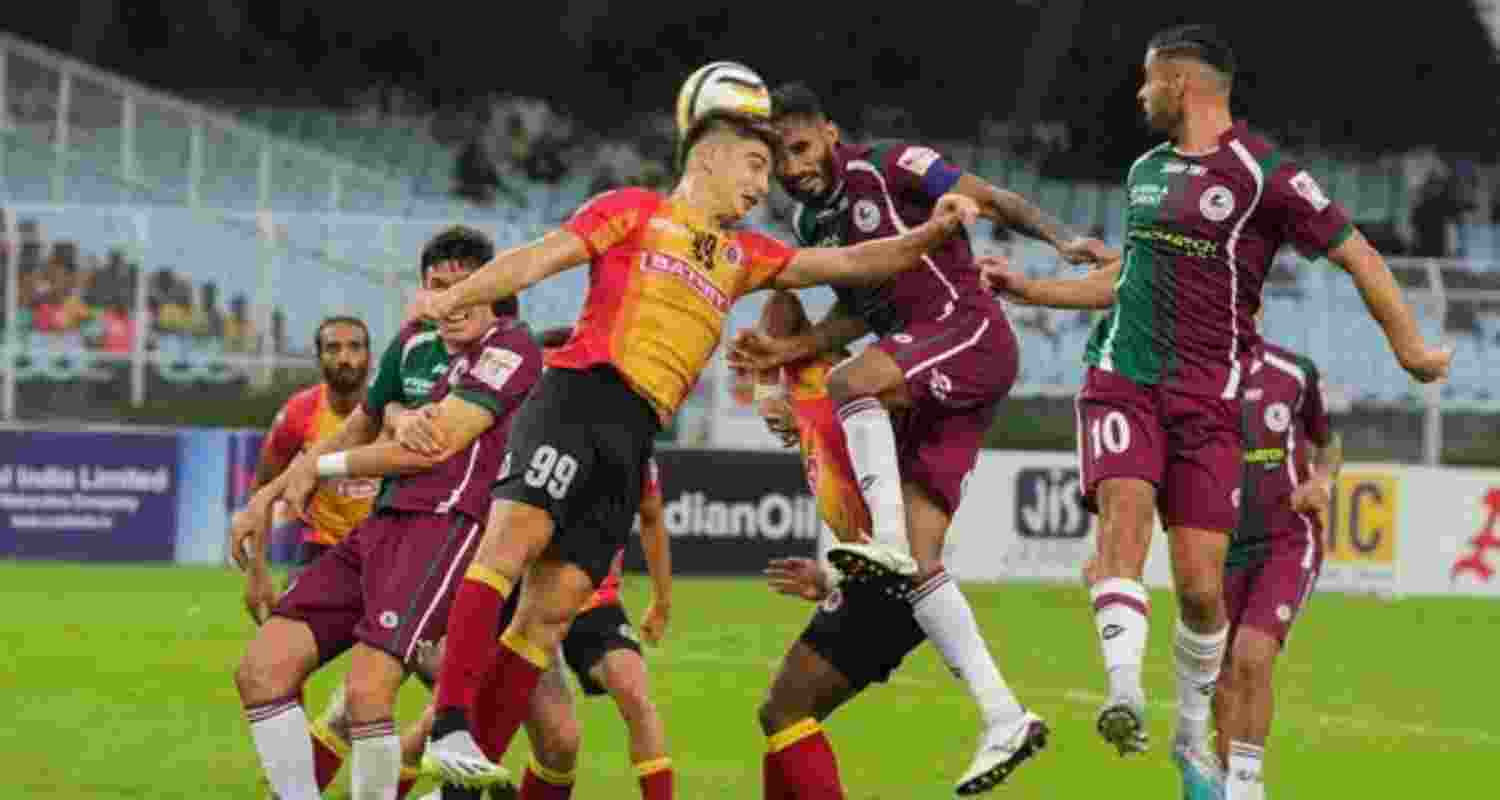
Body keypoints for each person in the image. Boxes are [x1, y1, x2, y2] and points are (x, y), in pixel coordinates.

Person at [409, 108, 978, 790]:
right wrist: (457, 297)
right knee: (506, 551)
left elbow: (853, 260)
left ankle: (457, 786)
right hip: (579, 398)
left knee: (545, 617)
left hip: (634, 437)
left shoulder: (744, 256)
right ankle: (448, 726)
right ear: (708, 158)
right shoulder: (633, 211)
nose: (762, 186)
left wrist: (935, 231)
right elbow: (539, 257)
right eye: (755, 166)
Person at [978, 27, 1446, 770]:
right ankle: (1124, 690)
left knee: (1201, 592)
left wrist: (1411, 348)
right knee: (1123, 525)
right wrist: (1028, 288)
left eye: (1146, 81)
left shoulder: (1267, 175)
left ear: (1182, 85)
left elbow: (1358, 255)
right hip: (1126, 382)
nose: (1138, 95)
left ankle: (1191, 724)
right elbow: (1125, 282)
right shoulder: (1145, 173)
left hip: (1207, 404)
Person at [726, 81, 1110, 793]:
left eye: (801, 148)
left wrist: (1063, 239)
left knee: (850, 385)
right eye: (778, 159)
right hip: (929, 363)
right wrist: (794, 347)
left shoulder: (891, 164)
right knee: (922, 562)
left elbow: (989, 196)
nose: (791, 169)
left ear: (831, 133)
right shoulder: (815, 228)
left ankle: (888, 547)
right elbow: (858, 304)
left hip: (967, 331)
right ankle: (1004, 716)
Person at [231, 226, 543, 800]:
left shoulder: (512, 347)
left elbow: (435, 445)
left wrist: (316, 470)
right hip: (380, 526)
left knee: (369, 691)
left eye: (464, 286)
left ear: (494, 287)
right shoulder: (412, 342)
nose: (449, 300)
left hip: (445, 529)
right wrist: (264, 496)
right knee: (262, 670)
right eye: (437, 287)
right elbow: (361, 423)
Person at [746, 289, 1043, 799]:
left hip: (893, 586)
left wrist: (777, 367)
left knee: (785, 710)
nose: (763, 393)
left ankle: (1005, 715)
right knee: (784, 714)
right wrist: (832, 577)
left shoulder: (838, 382)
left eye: (768, 368)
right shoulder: (813, 411)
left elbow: (783, 308)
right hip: (878, 579)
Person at [249, 315, 375, 588]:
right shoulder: (298, 413)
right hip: (322, 547)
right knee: (282, 626)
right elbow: (263, 488)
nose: (345, 357)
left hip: (385, 548)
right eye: (333, 348)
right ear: (318, 358)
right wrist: (257, 572)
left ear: (370, 357)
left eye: (355, 347)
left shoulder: (395, 410)